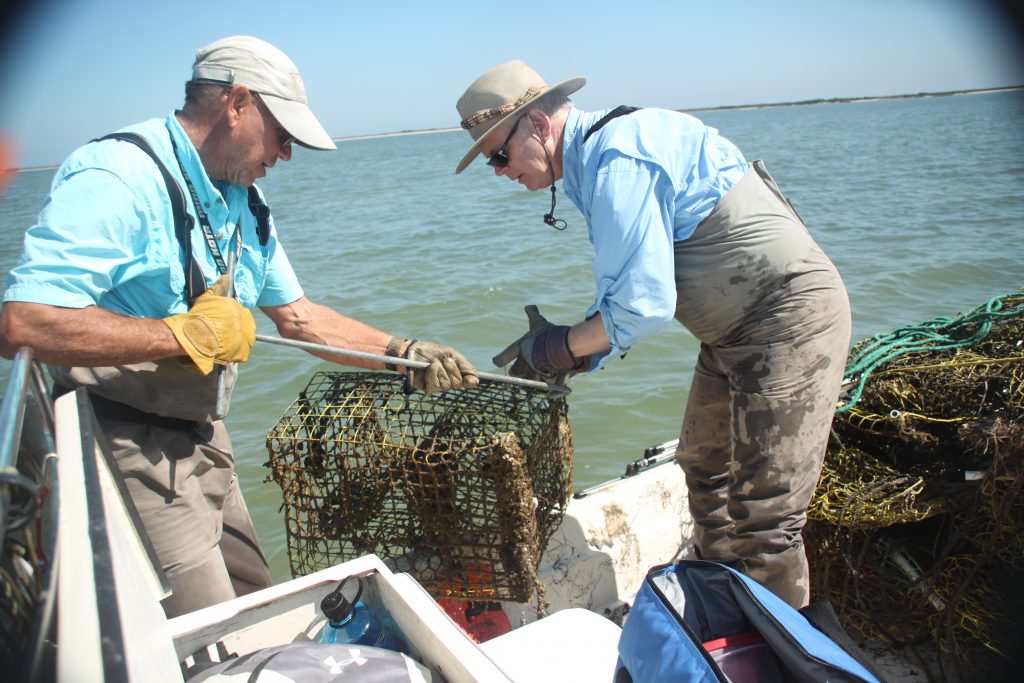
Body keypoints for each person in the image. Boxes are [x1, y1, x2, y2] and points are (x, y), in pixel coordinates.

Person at [0, 35, 479, 617]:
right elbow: (25, 323)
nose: (286, 156)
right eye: (283, 137)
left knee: (259, 599)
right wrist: (181, 335)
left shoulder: (241, 199)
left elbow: (299, 319)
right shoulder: (120, 177)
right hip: (125, 442)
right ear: (237, 103)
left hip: (203, 431)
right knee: (211, 629)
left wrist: (405, 354)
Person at [453, 60, 851, 608]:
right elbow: (626, 285)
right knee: (705, 466)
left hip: (787, 319)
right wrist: (573, 353)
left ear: (538, 126)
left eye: (498, 154)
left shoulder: (617, 159)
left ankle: (779, 651)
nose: (499, 170)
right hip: (731, 335)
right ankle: (722, 602)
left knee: (767, 519)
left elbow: (643, 305)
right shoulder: (595, 161)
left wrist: (558, 347)